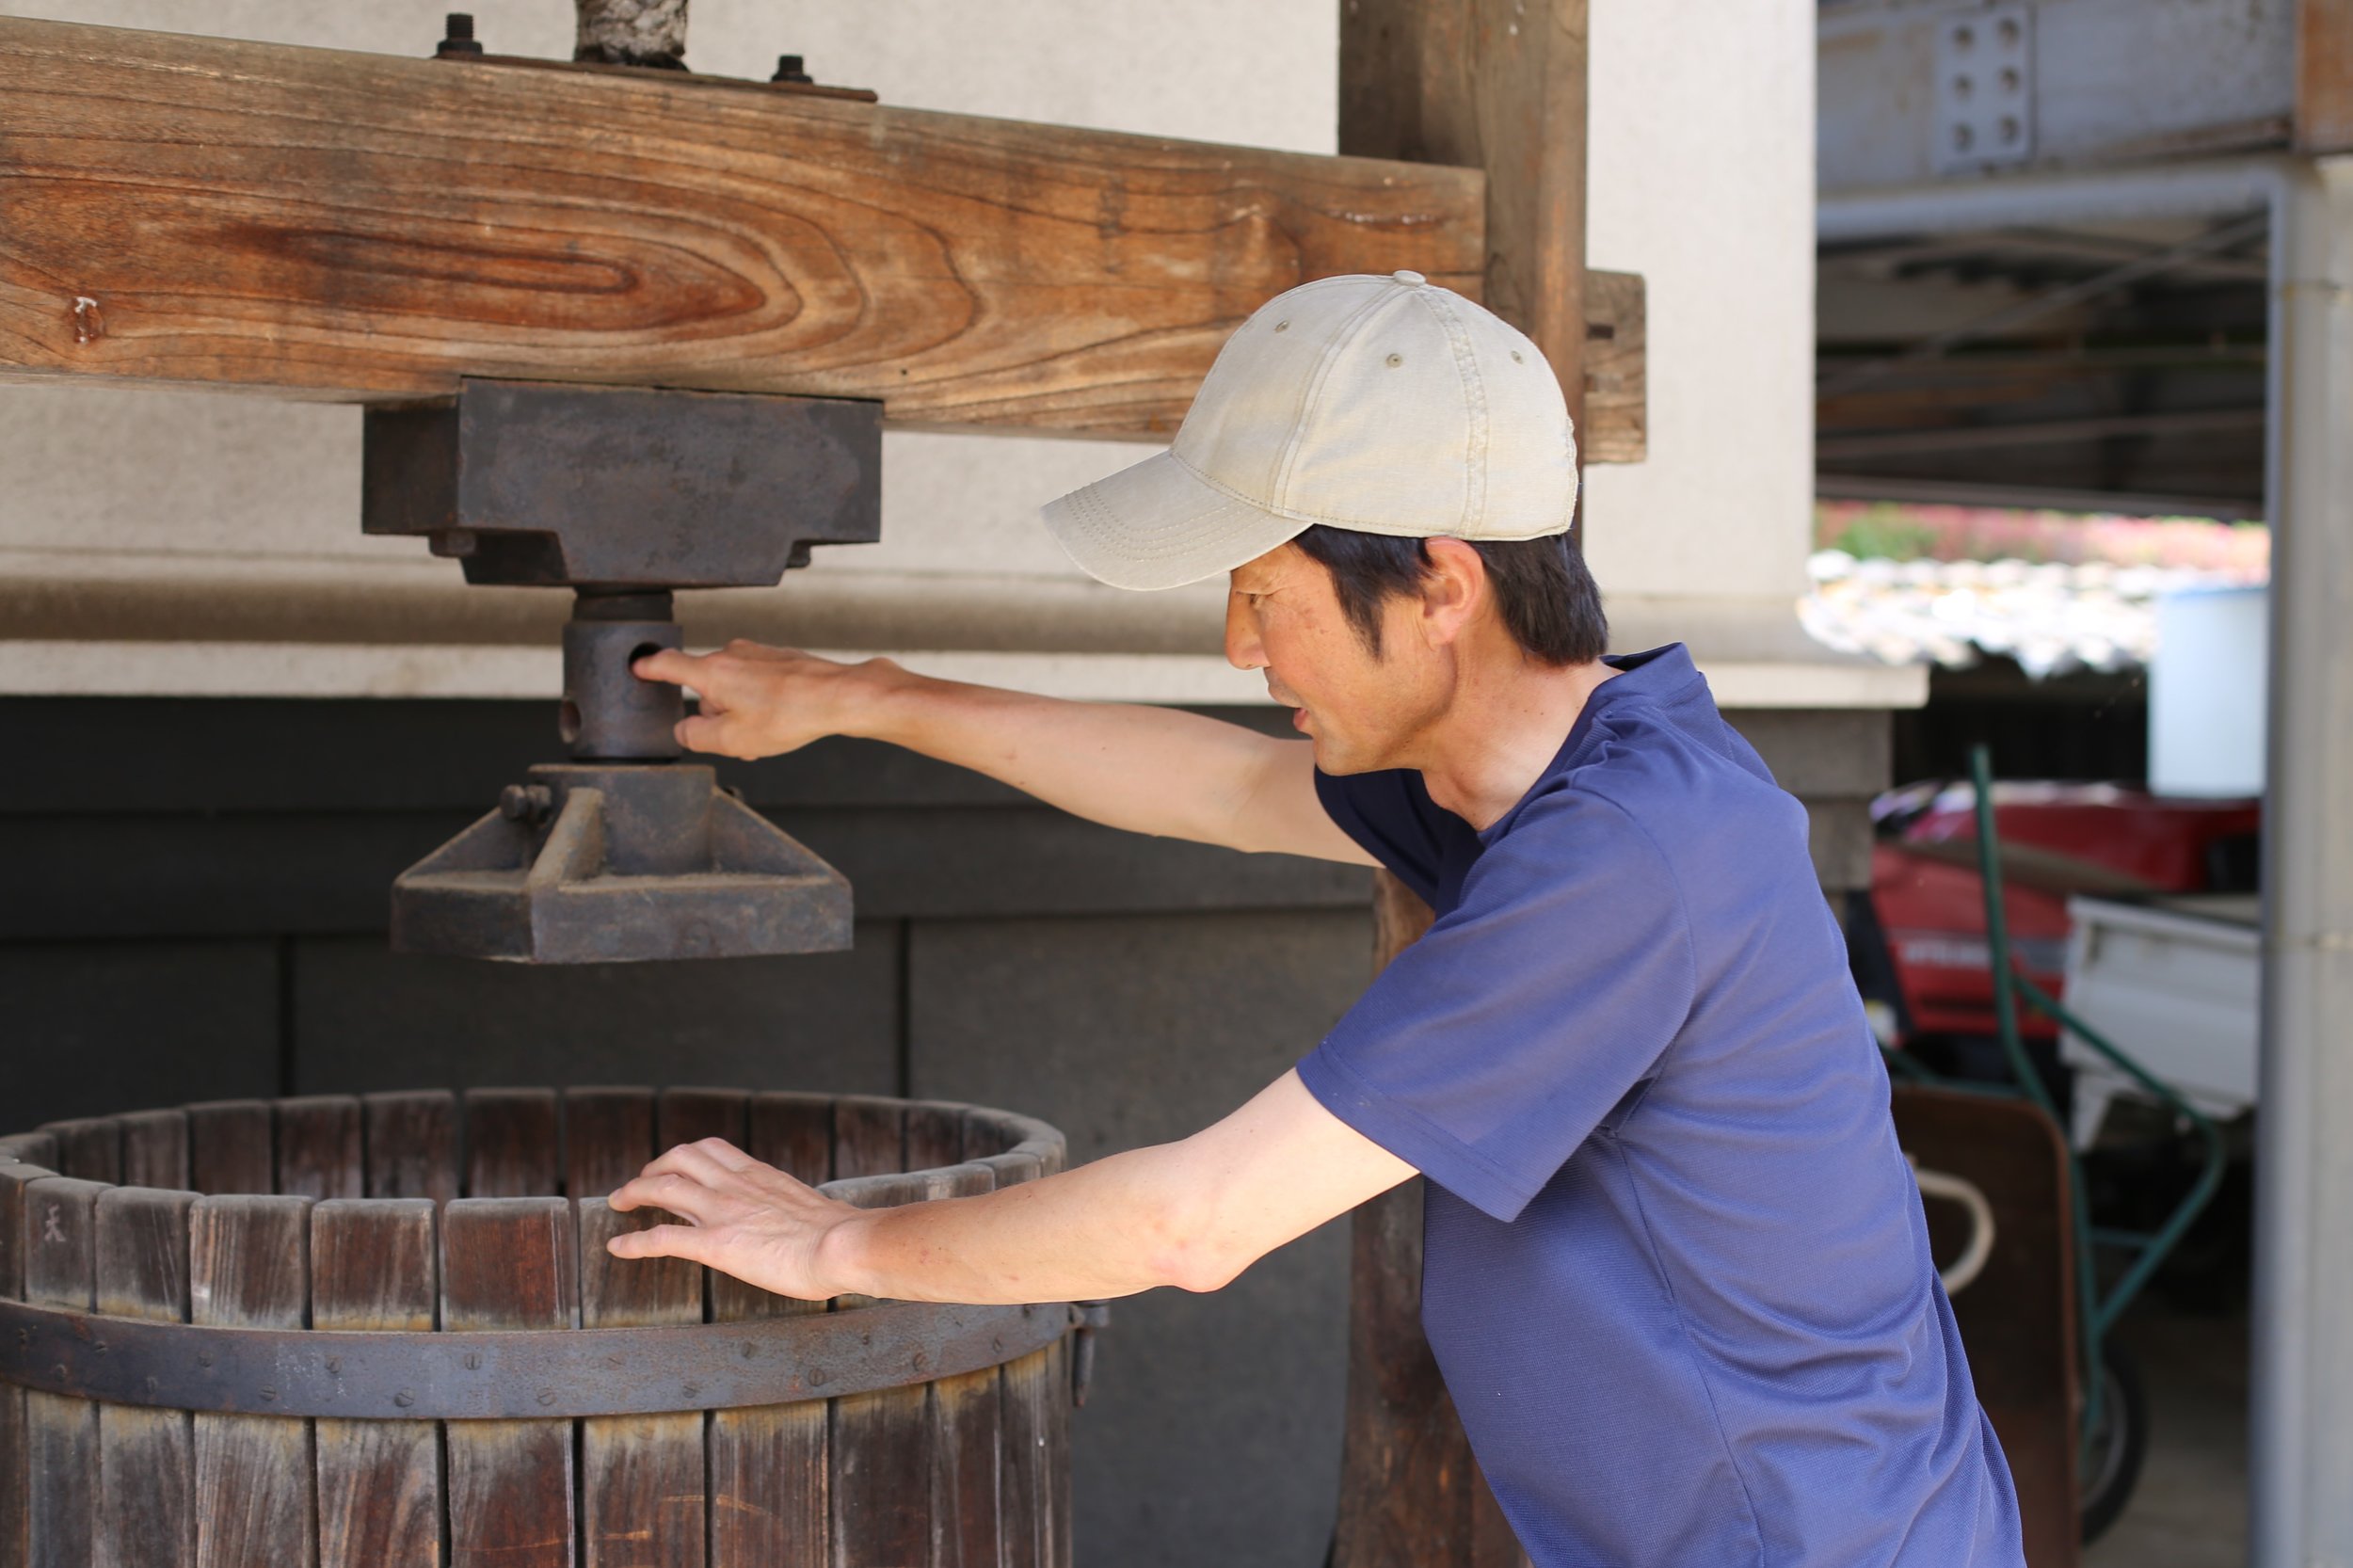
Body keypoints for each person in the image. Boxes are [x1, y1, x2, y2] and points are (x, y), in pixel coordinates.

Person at [615, 271, 2027, 1566]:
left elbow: (1196, 1221)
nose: (1239, 645)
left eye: (1265, 596)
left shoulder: (1626, 861)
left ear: (1440, 588)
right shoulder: (1531, 781)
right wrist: (864, 695)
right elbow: (1226, 785)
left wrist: (827, 1248)